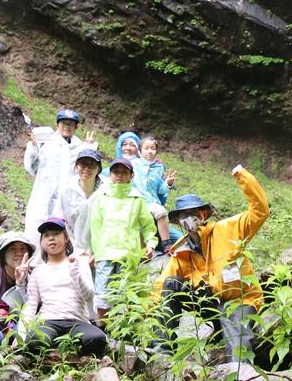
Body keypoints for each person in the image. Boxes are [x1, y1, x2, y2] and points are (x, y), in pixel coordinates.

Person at [155, 165, 269, 361]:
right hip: (209, 305)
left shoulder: (228, 229)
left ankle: (238, 371)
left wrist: (242, 176)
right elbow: (161, 286)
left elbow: (260, 212)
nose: (187, 219)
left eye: (192, 213)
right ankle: (162, 352)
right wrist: (142, 316)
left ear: (203, 215)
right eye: (182, 216)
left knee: (238, 345)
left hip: (239, 301)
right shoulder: (182, 251)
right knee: (171, 284)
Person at [21, 218, 107, 358]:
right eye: (47, 236)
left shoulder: (79, 263)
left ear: (66, 238)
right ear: (42, 242)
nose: (51, 239)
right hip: (48, 320)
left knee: (97, 339)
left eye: (56, 234)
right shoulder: (37, 271)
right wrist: (21, 334)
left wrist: (76, 275)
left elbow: (89, 296)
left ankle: (78, 358)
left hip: (77, 321)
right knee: (34, 341)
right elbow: (31, 305)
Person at [88, 156, 157, 321]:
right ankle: (103, 331)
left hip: (128, 254)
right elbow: (96, 228)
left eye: (124, 172)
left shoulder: (137, 199)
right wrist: (95, 252)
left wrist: (151, 243)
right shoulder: (102, 197)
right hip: (105, 253)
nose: (119, 175)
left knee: (125, 294)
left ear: (131, 175)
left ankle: (124, 332)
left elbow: (148, 226)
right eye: (116, 172)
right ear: (110, 174)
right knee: (103, 294)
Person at [23, 110, 85, 234]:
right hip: (42, 200)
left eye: (70, 124)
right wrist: (33, 146)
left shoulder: (80, 148)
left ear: (76, 127)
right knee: (37, 236)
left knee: (65, 239)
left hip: (68, 202)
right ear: (57, 125)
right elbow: (31, 168)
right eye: (63, 123)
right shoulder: (46, 144)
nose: (67, 127)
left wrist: (90, 149)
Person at [133, 136, 176, 250]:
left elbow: (160, 190)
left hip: (151, 202)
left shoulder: (159, 168)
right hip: (135, 201)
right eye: (146, 148)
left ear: (156, 151)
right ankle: (143, 252)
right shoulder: (132, 164)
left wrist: (167, 183)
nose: (149, 151)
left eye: (152, 148)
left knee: (161, 211)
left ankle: (166, 243)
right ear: (139, 151)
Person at [59, 148, 104, 253]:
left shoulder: (106, 189)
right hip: (72, 246)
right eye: (83, 164)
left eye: (92, 165)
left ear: (98, 169)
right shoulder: (67, 189)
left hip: (101, 247)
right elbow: (62, 217)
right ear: (76, 167)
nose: (86, 169)